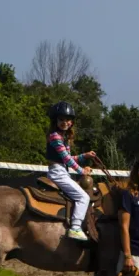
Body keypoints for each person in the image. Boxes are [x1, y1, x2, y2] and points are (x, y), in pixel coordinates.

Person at [45, 101, 95, 241]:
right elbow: (66, 159)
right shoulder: (55, 136)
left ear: (71, 122)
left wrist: (84, 156)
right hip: (58, 172)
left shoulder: (62, 137)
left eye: (68, 120)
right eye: (61, 119)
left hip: (62, 171)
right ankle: (75, 227)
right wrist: (81, 171)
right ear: (56, 120)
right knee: (83, 197)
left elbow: (68, 158)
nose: (65, 122)